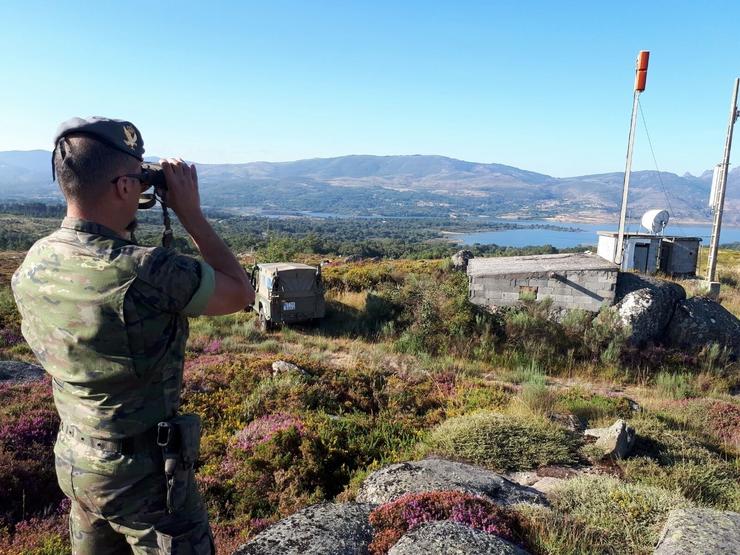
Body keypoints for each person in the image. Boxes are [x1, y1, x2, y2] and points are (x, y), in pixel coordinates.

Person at [11, 116, 254, 554]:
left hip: (75, 462)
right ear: (124, 187)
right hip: (145, 479)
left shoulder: (35, 261)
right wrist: (190, 212)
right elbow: (239, 292)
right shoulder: (147, 271)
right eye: (139, 180)